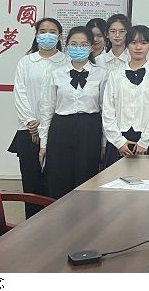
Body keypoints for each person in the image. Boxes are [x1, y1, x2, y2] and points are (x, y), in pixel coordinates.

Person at [38, 26, 107, 199]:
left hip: (90, 128)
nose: (78, 48)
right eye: (74, 44)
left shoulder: (102, 74)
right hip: (61, 128)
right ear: (67, 46)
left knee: (87, 176)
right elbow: (47, 109)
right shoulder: (56, 73)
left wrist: (104, 143)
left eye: (83, 45)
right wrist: (43, 143)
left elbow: (106, 111)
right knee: (59, 176)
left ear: (91, 47)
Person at [9, 17, 66, 218]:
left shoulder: (67, 62)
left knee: (55, 183)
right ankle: (30, 227)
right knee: (31, 184)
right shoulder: (26, 62)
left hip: (56, 131)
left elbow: (65, 96)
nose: (47, 35)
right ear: (36, 35)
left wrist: (45, 123)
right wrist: (31, 122)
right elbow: (20, 93)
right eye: (43, 31)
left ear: (60, 36)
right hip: (28, 131)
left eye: (52, 32)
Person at [102, 25, 149, 166]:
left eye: (144, 43)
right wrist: (119, 142)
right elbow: (108, 110)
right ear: (127, 45)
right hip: (119, 139)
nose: (138, 47)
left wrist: (144, 141)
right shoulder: (114, 75)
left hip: (147, 139)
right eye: (133, 42)